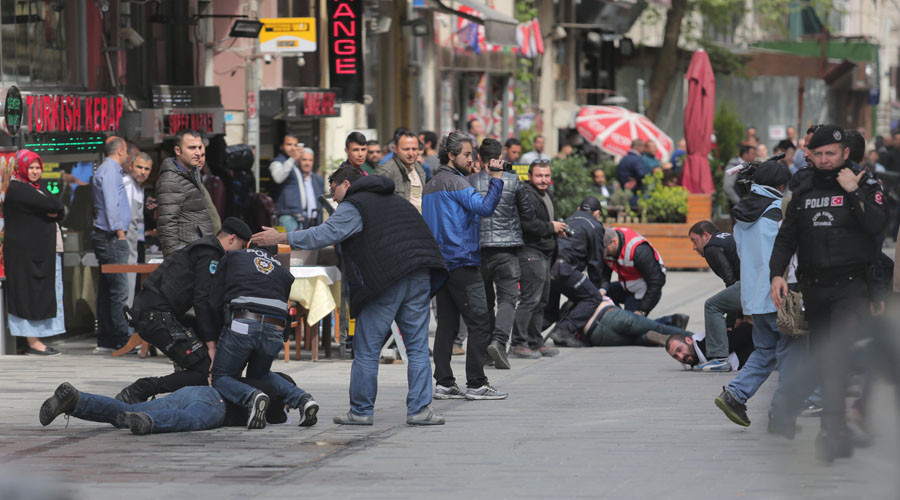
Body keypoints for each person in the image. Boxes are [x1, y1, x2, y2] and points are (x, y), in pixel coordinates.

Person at [252, 166, 449, 425]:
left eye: (333, 190)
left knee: (367, 349)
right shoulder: (396, 201)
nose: (333, 198)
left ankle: (361, 411)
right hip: (421, 272)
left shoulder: (355, 204)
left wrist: (282, 237)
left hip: (387, 279)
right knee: (417, 348)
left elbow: (324, 234)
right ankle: (420, 411)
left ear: (346, 184)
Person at [769, 125, 887, 461]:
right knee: (823, 358)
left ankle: (829, 430)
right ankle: (834, 429)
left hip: (851, 287)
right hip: (814, 287)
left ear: (845, 153)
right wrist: (776, 273)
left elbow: (878, 227)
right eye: (817, 154)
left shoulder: (864, 183)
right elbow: (787, 237)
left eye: (830, 154)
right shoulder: (803, 188)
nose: (824, 160)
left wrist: (853, 192)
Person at [114, 218, 252, 404]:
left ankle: (188, 398)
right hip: (155, 316)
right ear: (232, 239)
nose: (240, 253)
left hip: (160, 313)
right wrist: (211, 345)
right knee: (204, 370)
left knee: (207, 354)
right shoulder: (211, 252)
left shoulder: (203, 247)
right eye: (241, 247)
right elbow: (202, 300)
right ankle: (141, 389)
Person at [714, 160, 805, 439]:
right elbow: (788, 253)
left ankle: (735, 394)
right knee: (793, 353)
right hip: (781, 291)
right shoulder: (779, 210)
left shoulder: (741, 214)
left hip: (754, 295)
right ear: (779, 186)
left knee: (766, 351)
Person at [423, 131, 508, 400]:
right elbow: (485, 208)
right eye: (467, 155)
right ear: (451, 155)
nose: (472, 159)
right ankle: (476, 383)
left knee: (447, 325)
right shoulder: (457, 183)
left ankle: (445, 382)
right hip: (462, 260)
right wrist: (496, 179)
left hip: (441, 263)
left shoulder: (431, 183)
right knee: (481, 322)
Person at [209, 245, 318, 430]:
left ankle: (251, 396)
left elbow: (214, 298)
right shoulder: (282, 271)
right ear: (274, 255)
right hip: (275, 327)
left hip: (243, 322)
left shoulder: (235, 255)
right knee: (260, 375)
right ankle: (302, 399)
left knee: (221, 377)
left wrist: (213, 338)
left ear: (249, 246)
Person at [40, 374, 315, 435]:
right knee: (192, 421)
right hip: (214, 406)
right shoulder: (272, 402)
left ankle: (76, 400)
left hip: (194, 391)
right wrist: (292, 405)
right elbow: (280, 419)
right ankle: (151, 424)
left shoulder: (251, 378)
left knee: (119, 413)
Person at [468, 138, 535, 369]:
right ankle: (498, 341)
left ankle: (488, 350)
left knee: (486, 302)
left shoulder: (470, 181)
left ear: (479, 158)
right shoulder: (513, 180)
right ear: (501, 156)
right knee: (508, 299)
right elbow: (528, 214)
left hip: (479, 250)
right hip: (507, 250)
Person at [3, 149, 65, 355]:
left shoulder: (34, 188)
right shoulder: (19, 189)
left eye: (38, 167)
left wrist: (54, 210)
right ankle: (32, 342)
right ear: (22, 168)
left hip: (36, 253)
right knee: (27, 295)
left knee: (36, 295)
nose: (35, 171)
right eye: (30, 167)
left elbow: (58, 208)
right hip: (25, 256)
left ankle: (35, 340)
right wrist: (52, 210)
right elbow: (54, 204)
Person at [512, 159, 569, 357]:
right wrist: (550, 228)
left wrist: (555, 230)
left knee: (542, 300)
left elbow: (544, 222)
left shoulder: (546, 194)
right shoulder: (526, 194)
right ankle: (519, 343)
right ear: (530, 176)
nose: (543, 180)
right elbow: (527, 224)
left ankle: (535, 341)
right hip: (530, 252)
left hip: (545, 253)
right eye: (539, 175)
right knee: (530, 299)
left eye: (546, 176)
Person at [544, 197, 608, 348]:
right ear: (597, 213)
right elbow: (595, 262)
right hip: (564, 268)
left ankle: (524, 337)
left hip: (547, 265)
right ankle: (564, 330)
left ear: (579, 208)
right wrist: (597, 286)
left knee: (550, 312)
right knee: (592, 297)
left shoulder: (568, 219)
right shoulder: (595, 225)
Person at [91, 137, 132, 352]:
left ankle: (107, 338)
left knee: (109, 289)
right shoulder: (110, 170)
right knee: (118, 289)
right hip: (111, 236)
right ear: (121, 150)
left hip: (108, 235)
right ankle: (120, 337)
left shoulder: (109, 170)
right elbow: (111, 203)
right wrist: (120, 232)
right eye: (127, 152)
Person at [156, 128, 220, 257]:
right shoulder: (171, 179)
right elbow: (167, 224)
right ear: (178, 151)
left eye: (199, 147)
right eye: (192, 148)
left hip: (200, 249)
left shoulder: (193, 172)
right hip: (187, 254)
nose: (198, 152)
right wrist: (175, 261)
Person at [688, 220, 742, 372]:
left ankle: (719, 358)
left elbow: (730, 281)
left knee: (712, 305)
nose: (694, 247)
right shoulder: (726, 238)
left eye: (694, 241)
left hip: (749, 285)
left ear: (705, 235)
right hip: (759, 281)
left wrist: (735, 317)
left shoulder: (711, 247)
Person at [575, 296, 691, 347]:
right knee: (658, 327)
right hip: (609, 314)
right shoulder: (582, 291)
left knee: (635, 340)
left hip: (595, 335)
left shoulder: (566, 318)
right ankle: (696, 339)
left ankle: (648, 338)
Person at [601, 227, 666, 315]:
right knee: (597, 296)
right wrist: (602, 290)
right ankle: (618, 319)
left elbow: (657, 281)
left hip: (643, 291)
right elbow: (605, 272)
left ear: (614, 242)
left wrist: (642, 310)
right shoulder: (607, 244)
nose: (604, 253)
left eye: (606, 250)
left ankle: (669, 321)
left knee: (629, 324)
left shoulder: (638, 250)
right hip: (626, 286)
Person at [270, 134, 324, 232]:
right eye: (289, 144)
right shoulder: (278, 162)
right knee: (291, 246)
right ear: (281, 146)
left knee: (299, 246)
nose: (293, 148)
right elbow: (278, 178)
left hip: (298, 217)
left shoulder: (295, 165)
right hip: (286, 216)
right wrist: (293, 159)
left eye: (295, 145)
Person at [662, 321, 755, 371]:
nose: (681, 357)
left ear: (689, 340)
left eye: (679, 350)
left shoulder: (709, 345)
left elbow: (747, 330)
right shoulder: (698, 358)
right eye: (676, 356)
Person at [124, 152, 152, 306]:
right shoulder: (128, 185)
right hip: (128, 242)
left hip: (137, 242)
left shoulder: (139, 188)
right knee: (128, 284)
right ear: (130, 167)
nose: (143, 172)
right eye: (139, 167)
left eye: (147, 169)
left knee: (134, 283)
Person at [375, 130, 427, 213]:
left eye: (414, 149)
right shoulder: (386, 171)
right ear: (395, 149)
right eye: (406, 149)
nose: (411, 153)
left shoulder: (418, 168)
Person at [724, 146, 755, 211]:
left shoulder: (749, 166)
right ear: (745, 155)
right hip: (738, 207)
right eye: (752, 154)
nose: (754, 156)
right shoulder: (734, 166)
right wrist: (739, 203)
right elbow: (727, 187)